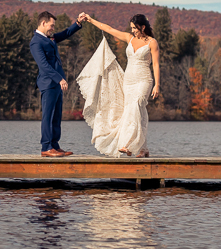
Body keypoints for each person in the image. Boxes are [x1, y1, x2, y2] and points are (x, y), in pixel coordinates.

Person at [77, 14, 160, 157]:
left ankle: (128, 144)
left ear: (143, 27)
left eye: (135, 28)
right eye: (132, 28)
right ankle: (143, 149)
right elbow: (109, 29)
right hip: (128, 81)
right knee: (135, 111)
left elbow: (156, 65)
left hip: (143, 80)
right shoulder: (130, 38)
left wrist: (157, 85)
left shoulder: (152, 43)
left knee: (135, 106)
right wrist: (90, 20)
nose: (133, 30)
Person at [30, 11, 86, 157]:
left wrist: (78, 23)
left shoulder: (50, 38)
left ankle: (54, 145)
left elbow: (66, 33)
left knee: (56, 116)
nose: (53, 28)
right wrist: (59, 79)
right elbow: (43, 65)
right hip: (48, 84)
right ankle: (46, 147)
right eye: (51, 25)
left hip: (57, 84)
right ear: (43, 23)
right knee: (48, 116)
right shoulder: (36, 42)